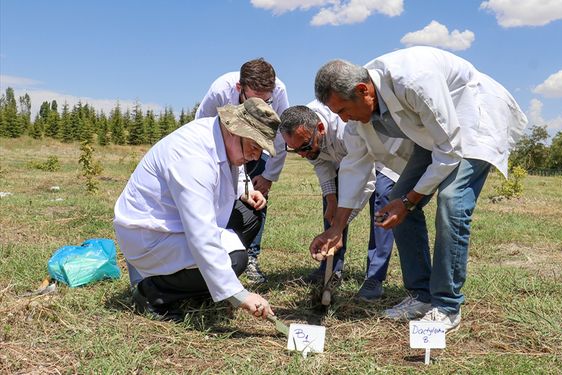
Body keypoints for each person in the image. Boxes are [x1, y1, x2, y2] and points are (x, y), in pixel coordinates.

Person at [310, 46, 528, 332]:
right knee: (394, 201)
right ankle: (422, 296)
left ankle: (447, 305)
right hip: (435, 135)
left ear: (364, 90)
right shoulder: (360, 111)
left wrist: (409, 200)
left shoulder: (413, 80)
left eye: (343, 110)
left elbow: (449, 152)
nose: (342, 119)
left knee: (452, 202)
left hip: (473, 120)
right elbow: (355, 167)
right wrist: (336, 228)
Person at [113, 98, 280, 322]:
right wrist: (239, 295)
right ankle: (151, 291)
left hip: (176, 225)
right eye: (254, 147)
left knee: (249, 216)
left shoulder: (220, 136)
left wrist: (245, 190)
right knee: (235, 260)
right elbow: (201, 233)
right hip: (151, 236)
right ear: (234, 131)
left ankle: (196, 284)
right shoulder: (192, 157)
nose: (256, 156)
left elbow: (235, 170)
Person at [279, 101, 412, 301]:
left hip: (380, 159)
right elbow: (321, 163)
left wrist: (339, 226)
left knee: (382, 200)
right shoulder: (303, 132)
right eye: (295, 150)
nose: (302, 154)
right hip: (346, 159)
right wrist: (331, 199)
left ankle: (374, 277)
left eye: (305, 147)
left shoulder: (345, 129)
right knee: (332, 207)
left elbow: (365, 182)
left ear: (321, 129)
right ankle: (331, 268)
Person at [195, 58, 290, 284]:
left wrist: (268, 177)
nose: (262, 105)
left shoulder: (280, 91)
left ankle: (250, 256)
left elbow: (280, 136)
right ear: (239, 88)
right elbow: (201, 124)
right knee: (217, 193)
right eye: (255, 99)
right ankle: (213, 246)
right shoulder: (220, 89)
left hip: (259, 146)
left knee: (255, 198)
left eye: (266, 100)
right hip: (222, 147)